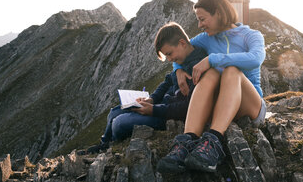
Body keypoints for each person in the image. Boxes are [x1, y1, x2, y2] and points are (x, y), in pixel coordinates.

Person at [157, 0, 266, 173]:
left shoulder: (251, 35)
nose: (200, 25)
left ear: (219, 13)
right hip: (222, 105)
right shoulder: (206, 39)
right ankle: (187, 142)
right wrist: (179, 71)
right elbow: (180, 49)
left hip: (250, 105)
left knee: (231, 70)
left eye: (202, 19)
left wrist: (213, 58)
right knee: (213, 73)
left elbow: (255, 59)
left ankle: (213, 143)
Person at [84, 22, 209, 154]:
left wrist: (154, 110)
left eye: (169, 54)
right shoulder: (182, 61)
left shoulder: (198, 67)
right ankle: (105, 144)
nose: (169, 59)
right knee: (114, 112)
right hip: (160, 106)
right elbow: (167, 82)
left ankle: (111, 146)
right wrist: (152, 99)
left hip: (168, 115)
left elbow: (188, 107)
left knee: (119, 123)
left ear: (182, 43)